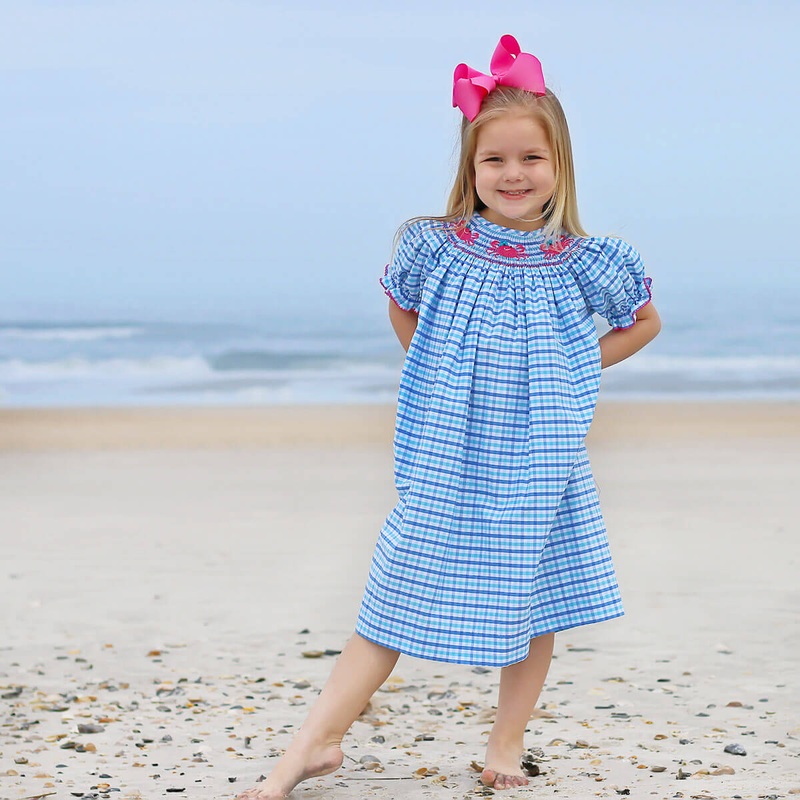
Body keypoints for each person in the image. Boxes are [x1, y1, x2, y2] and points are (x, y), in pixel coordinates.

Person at [234, 34, 661, 799]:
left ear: (559, 165)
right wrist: (440, 374)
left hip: (540, 454)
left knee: (534, 591)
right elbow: (405, 313)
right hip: (446, 450)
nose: (513, 174)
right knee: (399, 579)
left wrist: (566, 374)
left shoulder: (584, 260)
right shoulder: (436, 247)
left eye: (531, 158)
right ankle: (318, 737)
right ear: (471, 168)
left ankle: (507, 740)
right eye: (494, 159)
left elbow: (643, 322)